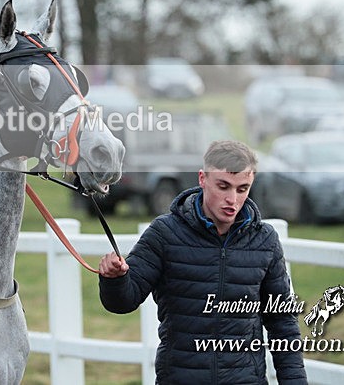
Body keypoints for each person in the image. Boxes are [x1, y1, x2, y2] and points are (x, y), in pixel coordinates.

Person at [99, 140, 307, 384]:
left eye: (242, 189)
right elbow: (123, 301)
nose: (232, 199)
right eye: (223, 186)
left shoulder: (265, 241)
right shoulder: (165, 233)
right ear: (202, 179)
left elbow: (282, 323)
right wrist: (115, 279)